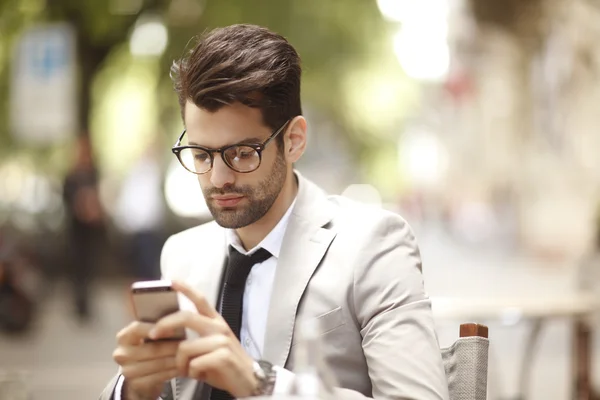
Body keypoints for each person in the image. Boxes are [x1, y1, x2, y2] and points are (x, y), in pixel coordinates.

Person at [101, 24, 449, 400]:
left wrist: (261, 383)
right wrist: (135, 388)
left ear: (294, 140)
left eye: (242, 153)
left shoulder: (373, 246)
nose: (218, 179)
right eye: (201, 155)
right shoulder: (182, 255)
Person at [62, 136, 104, 322]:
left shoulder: (93, 173)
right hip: (76, 229)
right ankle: (79, 305)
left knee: (89, 267)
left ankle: (86, 305)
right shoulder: (71, 176)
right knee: (78, 267)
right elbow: (68, 201)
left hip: (90, 230)